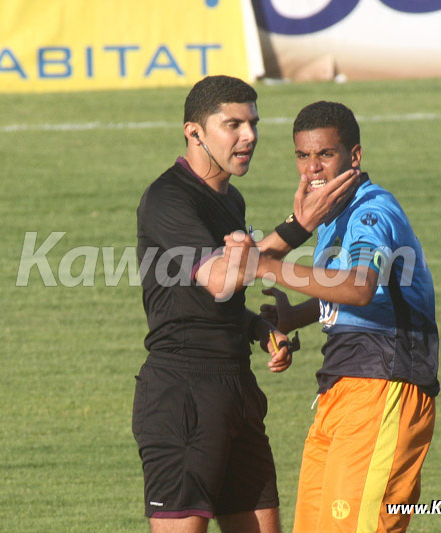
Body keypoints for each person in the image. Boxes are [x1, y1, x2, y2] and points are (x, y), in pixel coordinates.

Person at [133, 76, 360, 533]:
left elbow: (216, 300)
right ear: (193, 131)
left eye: (253, 123)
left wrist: (259, 329)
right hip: (183, 393)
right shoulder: (168, 198)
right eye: (232, 124)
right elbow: (222, 276)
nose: (250, 135)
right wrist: (297, 225)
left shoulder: (230, 200)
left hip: (235, 389)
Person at [231, 100, 438, 532]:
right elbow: (362, 292)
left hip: (383, 386)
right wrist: (298, 316)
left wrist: (268, 267)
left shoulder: (370, 211)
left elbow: (360, 286)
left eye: (325, 154)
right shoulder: (332, 216)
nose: (313, 169)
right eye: (303, 156)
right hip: (341, 390)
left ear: (354, 157)